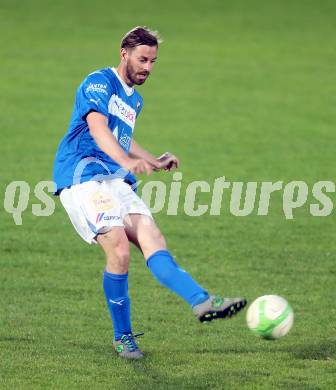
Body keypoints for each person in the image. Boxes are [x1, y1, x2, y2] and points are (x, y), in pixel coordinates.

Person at [53, 26, 246, 360]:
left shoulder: (135, 100)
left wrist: (152, 160)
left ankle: (201, 300)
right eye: (143, 59)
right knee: (119, 250)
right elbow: (99, 130)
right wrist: (127, 160)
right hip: (83, 177)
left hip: (114, 179)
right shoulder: (99, 83)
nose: (148, 67)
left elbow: (122, 136)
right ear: (123, 53)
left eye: (153, 61)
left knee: (152, 237)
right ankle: (123, 337)